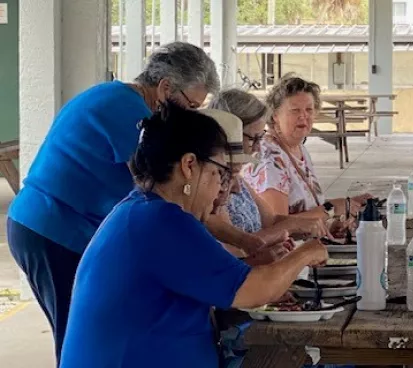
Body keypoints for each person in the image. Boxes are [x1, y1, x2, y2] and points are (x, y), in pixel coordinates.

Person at [6, 42, 268, 364]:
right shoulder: (133, 115)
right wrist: (244, 241)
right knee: (82, 329)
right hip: (52, 228)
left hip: (61, 223)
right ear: (165, 87)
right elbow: (174, 195)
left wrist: (244, 241)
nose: (189, 117)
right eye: (190, 106)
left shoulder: (120, 98)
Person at [60, 104, 329, 368]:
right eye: (218, 173)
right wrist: (304, 254)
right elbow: (253, 292)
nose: (221, 190)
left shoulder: (141, 211)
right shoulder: (162, 221)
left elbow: (209, 280)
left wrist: (257, 268)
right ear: (189, 165)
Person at [243, 77, 369, 235]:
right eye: (295, 110)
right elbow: (276, 226)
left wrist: (337, 217)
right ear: (275, 115)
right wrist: (331, 209)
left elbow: (308, 208)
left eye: (309, 110)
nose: (303, 116)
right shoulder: (269, 158)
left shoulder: (298, 147)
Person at [206, 89, 328, 240]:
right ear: (229, 134)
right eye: (253, 138)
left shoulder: (236, 176)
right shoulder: (213, 184)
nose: (258, 147)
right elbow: (234, 250)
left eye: (261, 137)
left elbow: (271, 220)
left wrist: (313, 225)